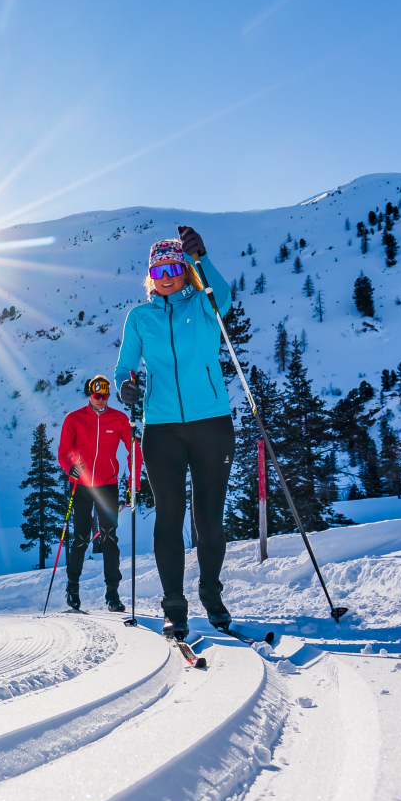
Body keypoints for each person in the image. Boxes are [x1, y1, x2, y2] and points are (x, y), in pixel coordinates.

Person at [112, 227, 235, 640]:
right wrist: (125, 385)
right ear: (150, 275)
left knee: (208, 517)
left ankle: (212, 594)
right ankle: (174, 606)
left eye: (173, 268)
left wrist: (202, 257)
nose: (165, 276)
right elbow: (125, 364)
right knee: (169, 516)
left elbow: (225, 298)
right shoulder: (139, 317)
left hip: (211, 423)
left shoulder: (203, 304)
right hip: (161, 428)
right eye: (157, 269)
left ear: (183, 270)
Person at [57, 374, 139, 612]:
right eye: (97, 395)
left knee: (109, 537)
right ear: (89, 394)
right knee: (81, 538)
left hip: (107, 484)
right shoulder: (74, 419)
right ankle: (73, 587)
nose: (101, 400)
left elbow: (133, 450)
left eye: (105, 395)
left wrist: (134, 483)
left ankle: (112, 594)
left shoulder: (120, 419)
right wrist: (69, 466)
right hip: (82, 485)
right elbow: (63, 452)